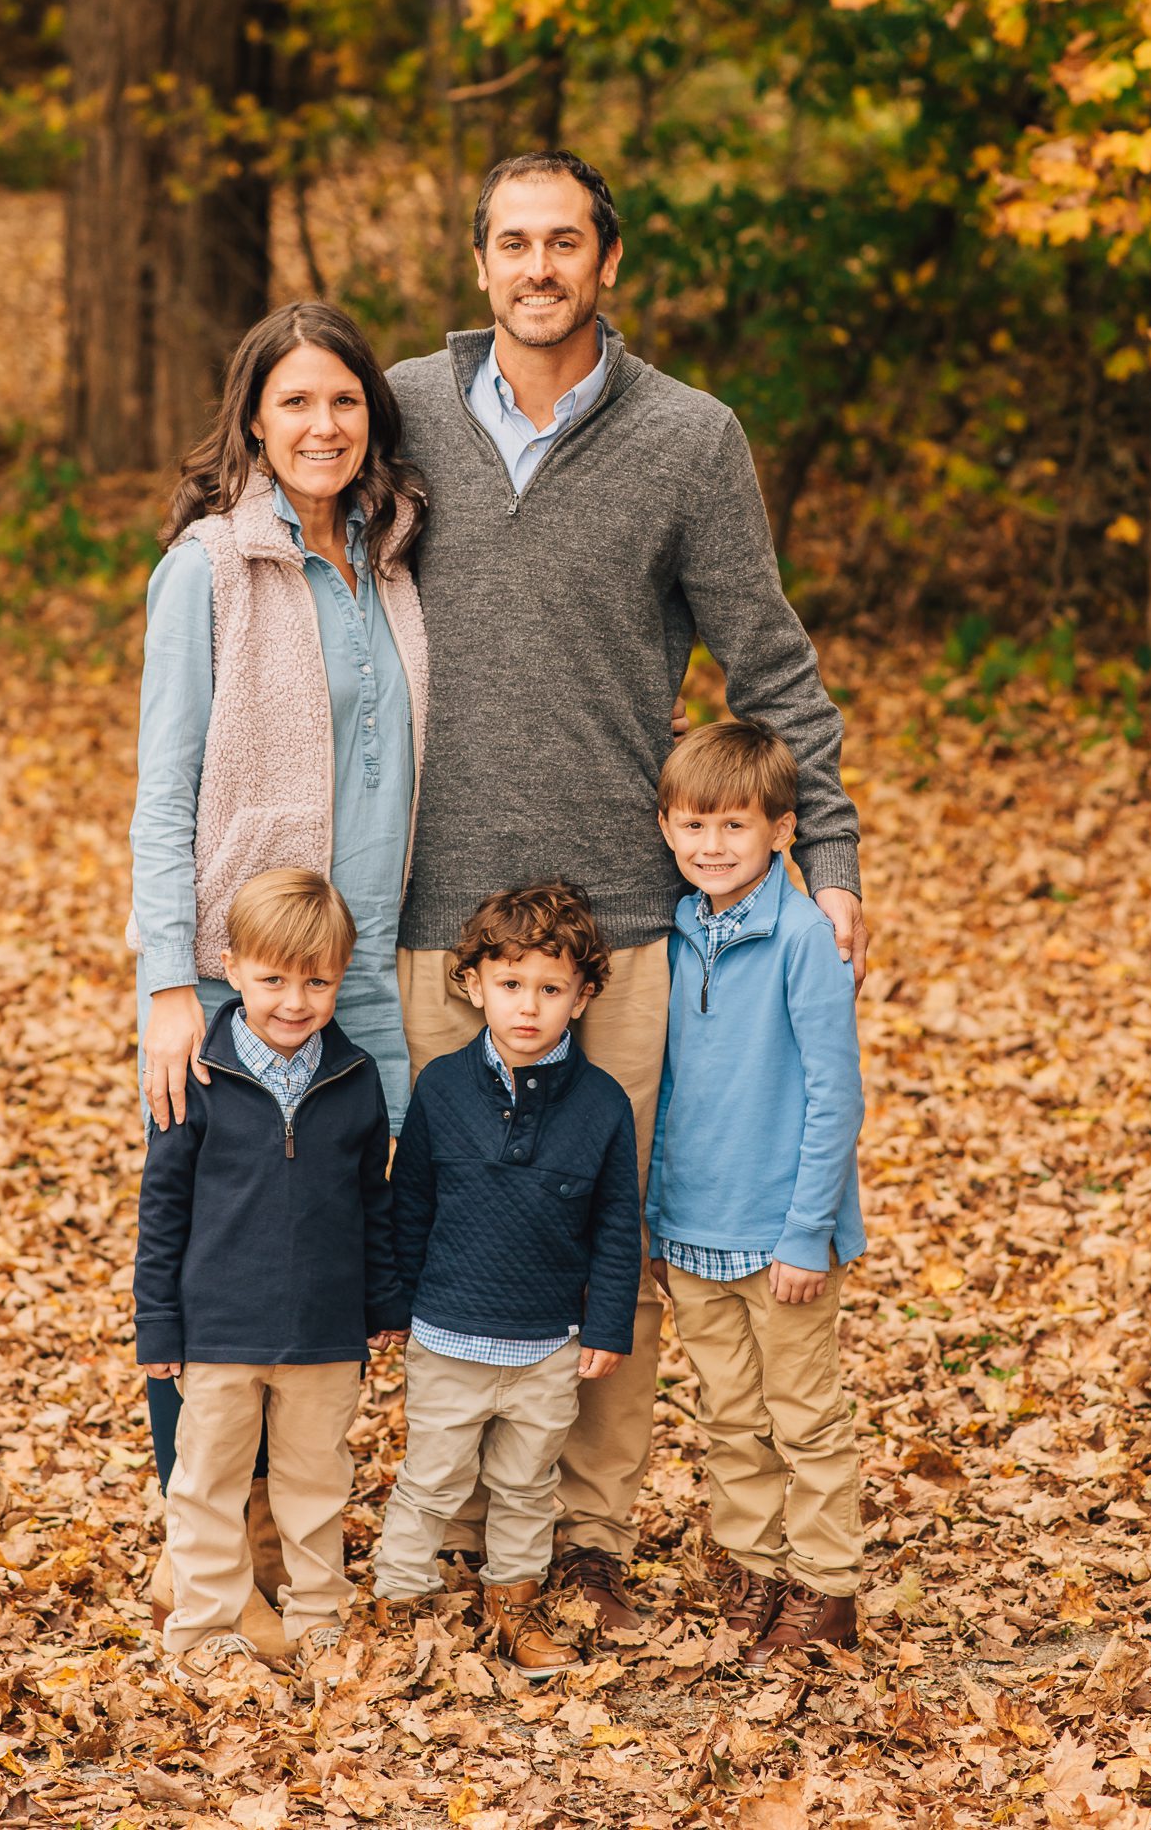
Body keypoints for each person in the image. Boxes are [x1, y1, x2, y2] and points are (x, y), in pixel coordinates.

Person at [387, 148, 866, 1629]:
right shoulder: (397, 411)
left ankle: (579, 1534)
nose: (537, 268)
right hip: (433, 913)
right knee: (461, 1213)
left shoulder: (685, 439)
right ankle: (467, 1522)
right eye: (510, 244)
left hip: (625, 919)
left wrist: (830, 854)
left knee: (614, 1230)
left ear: (609, 263)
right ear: (478, 263)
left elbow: (766, 659)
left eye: (564, 244)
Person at [128, 300, 428, 1621]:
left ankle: (308, 1552)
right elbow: (162, 794)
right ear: (254, 416)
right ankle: (212, 1565)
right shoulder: (207, 568)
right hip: (241, 966)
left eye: (343, 401)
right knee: (218, 1248)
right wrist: (161, 986)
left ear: (371, 420)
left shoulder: (393, 560)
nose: (321, 424)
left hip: (368, 965)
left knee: (333, 1241)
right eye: (295, 401)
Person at [134, 870, 408, 1676]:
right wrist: (158, 1324)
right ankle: (203, 1630)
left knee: (314, 1483)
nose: (294, 1000)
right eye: (273, 979)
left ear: (339, 979)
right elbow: (162, 1214)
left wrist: (382, 1298)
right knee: (209, 1483)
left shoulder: (354, 1080)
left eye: (316, 981)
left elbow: (374, 1200)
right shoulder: (199, 1078)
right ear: (231, 966)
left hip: (325, 1335)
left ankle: (319, 1620)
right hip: (218, 1328)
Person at [372, 884, 641, 1678]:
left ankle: (512, 1606)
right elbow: (409, 1199)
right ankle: (399, 1602)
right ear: (473, 985)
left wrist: (606, 1326)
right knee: (431, 1479)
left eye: (551, 989)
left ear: (582, 996)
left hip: (546, 1342)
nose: (529, 1007)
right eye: (511, 984)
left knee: (528, 1486)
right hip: (448, 1333)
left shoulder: (601, 1104)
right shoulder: (443, 1088)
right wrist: (394, 1302)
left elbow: (617, 1223)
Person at [646, 720, 865, 1661]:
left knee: (805, 1420)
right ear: (664, 828)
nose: (711, 847)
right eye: (692, 826)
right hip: (691, 1232)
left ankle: (825, 1585)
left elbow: (834, 1093)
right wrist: (653, 1223)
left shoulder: (805, 938)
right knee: (730, 1418)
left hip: (781, 1243)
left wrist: (806, 1232)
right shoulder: (673, 931)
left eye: (733, 827)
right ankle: (754, 1566)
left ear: (781, 830)